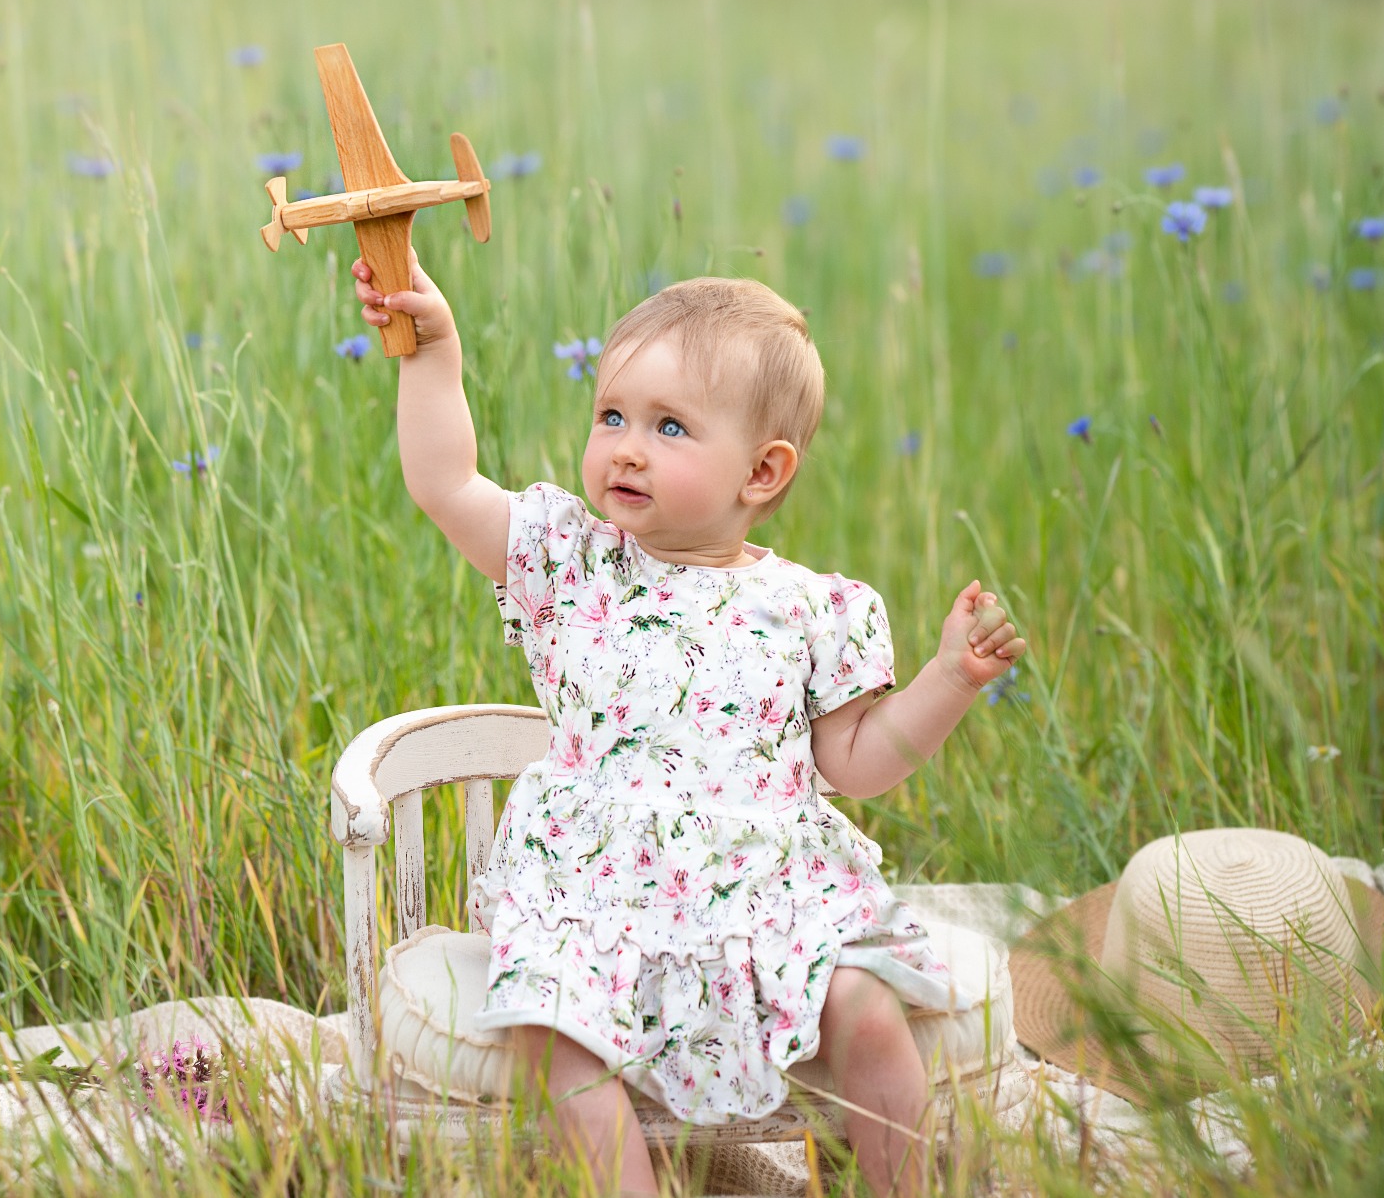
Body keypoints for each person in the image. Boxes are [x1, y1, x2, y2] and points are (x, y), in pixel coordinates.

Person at [352, 250, 1027, 1196]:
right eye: (612, 416)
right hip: (589, 897)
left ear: (762, 470)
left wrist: (950, 678)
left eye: (669, 426)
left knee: (869, 1008)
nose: (626, 445)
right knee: (555, 1039)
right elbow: (444, 480)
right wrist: (433, 350)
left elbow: (861, 760)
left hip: (769, 897)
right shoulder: (570, 564)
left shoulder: (810, 608)